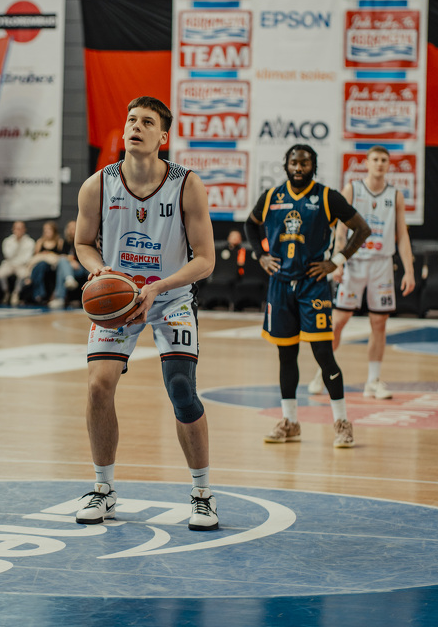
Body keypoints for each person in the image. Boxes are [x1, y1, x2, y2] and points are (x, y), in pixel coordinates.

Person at [74, 95, 219, 531]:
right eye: (131, 119)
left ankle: (203, 494)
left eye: (147, 122)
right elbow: (83, 243)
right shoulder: (97, 185)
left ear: (163, 137)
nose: (136, 126)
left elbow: (205, 259)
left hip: (170, 297)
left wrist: (158, 287)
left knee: (181, 388)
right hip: (119, 300)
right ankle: (103, 489)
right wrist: (98, 270)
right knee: (98, 386)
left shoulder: (186, 184)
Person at [245, 144, 371, 448]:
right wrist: (260, 255)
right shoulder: (271, 196)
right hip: (280, 285)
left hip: (312, 285)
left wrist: (336, 261)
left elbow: (362, 229)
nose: (298, 168)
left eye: (304, 163)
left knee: (323, 354)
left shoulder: (327, 197)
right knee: (285, 355)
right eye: (293, 163)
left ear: (313, 166)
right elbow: (250, 224)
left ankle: (342, 423)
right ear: (286, 165)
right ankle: (290, 422)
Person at [309, 146, 415, 401]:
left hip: (382, 264)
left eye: (384, 160)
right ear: (366, 163)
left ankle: (373, 381)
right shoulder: (353, 189)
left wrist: (409, 270)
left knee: (379, 323)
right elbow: (341, 231)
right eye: (375, 159)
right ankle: (323, 372)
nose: (379, 163)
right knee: (338, 321)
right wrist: (338, 261)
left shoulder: (395, 195)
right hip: (354, 262)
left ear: (388, 165)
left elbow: (402, 235)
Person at [48, 220, 89, 310]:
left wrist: (75, 262)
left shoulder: (83, 240)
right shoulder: (65, 242)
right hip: (70, 269)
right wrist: (70, 261)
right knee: (62, 262)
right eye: (70, 228)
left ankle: (60, 297)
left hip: (81, 268)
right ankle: (69, 279)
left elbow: (85, 256)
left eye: (74, 228)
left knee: (62, 268)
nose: (72, 230)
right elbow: (62, 256)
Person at [25, 221, 64, 305]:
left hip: (52, 265)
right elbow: (36, 256)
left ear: (54, 231)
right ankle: (40, 293)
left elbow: (61, 255)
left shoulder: (59, 241)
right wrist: (43, 255)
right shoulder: (40, 241)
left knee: (42, 265)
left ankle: (37, 291)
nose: (47, 232)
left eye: (49, 229)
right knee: (41, 265)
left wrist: (49, 254)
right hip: (41, 264)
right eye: (45, 230)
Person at [0, 220, 35, 305]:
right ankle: (6, 292)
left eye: (20, 228)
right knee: (0, 273)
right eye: (17, 228)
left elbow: (27, 258)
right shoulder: (8, 241)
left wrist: (18, 262)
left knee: (24, 274)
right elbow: (8, 255)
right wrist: (16, 242)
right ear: (13, 229)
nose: (19, 231)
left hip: (22, 265)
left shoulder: (30, 242)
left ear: (24, 229)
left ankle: (16, 293)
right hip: (9, 264)